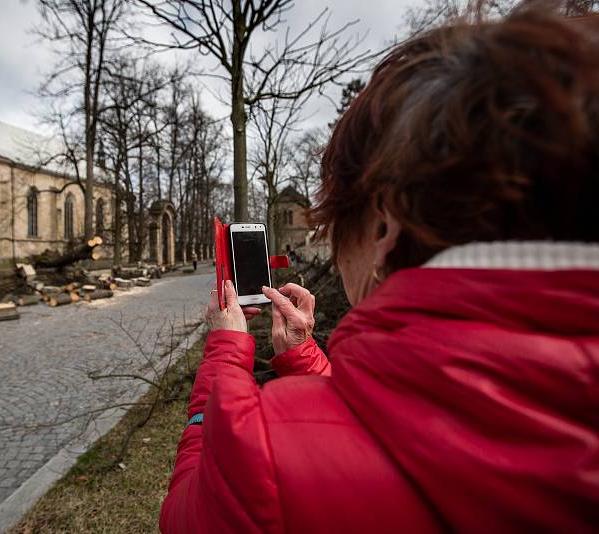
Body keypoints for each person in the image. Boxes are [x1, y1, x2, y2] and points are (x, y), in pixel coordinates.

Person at [159, 3, 599, 533]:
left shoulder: (266, 457)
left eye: (336, 218)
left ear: (383, 224)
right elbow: (414, 427)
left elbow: (187, 512)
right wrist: (305, 361)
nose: (330, 238)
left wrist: (224, 360)